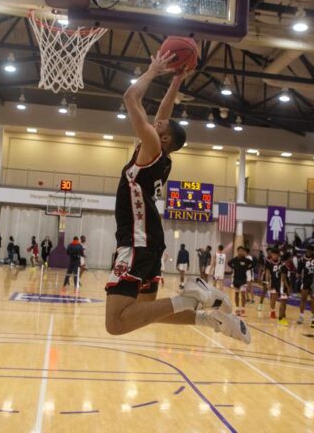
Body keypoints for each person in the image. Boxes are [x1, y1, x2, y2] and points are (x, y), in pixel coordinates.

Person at [103, 52, 247, 343]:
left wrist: (154, 70)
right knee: (146, 310)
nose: (156, 123)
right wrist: (177, 80)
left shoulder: (152, 147)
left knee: (116, 324)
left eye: (159, 127)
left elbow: (131, 98)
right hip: (150, 240)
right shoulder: (162, 155)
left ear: (164, 139)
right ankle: (210, 320)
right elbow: (164, 116)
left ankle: (194, 297)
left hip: (137, 240)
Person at [268, 248, 291, 325]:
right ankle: (281, 318)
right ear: (288, 259)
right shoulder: (284, 267)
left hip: (280, 285)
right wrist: (288, 287)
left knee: (284, 302)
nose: (291, 259)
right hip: (282, 286)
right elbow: (283, 278)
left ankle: (283, 317)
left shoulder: (283, 265)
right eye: (290, 258)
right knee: (282, 302)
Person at [228, 246, 252, 318]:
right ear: (237, 251)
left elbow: (253, 264)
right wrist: (234, 267)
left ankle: (243, 310)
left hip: (243, 280)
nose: (241, 252)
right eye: (240, 251)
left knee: (243, 294)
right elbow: (229, 263)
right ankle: (237, 309)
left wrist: (247, 268)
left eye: (242, 251)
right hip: (236, 279)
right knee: (236, 294)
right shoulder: (235, 259)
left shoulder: (246, 260)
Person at [296, 247, 314, 324]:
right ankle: (301, 316)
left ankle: (312, 317)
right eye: (308, 250)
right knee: (303, 299)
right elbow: (298, 272)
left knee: (313, 300)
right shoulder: (301, 259)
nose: (309, 252)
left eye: (310, 250)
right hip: (305, 281)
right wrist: (299, 278)